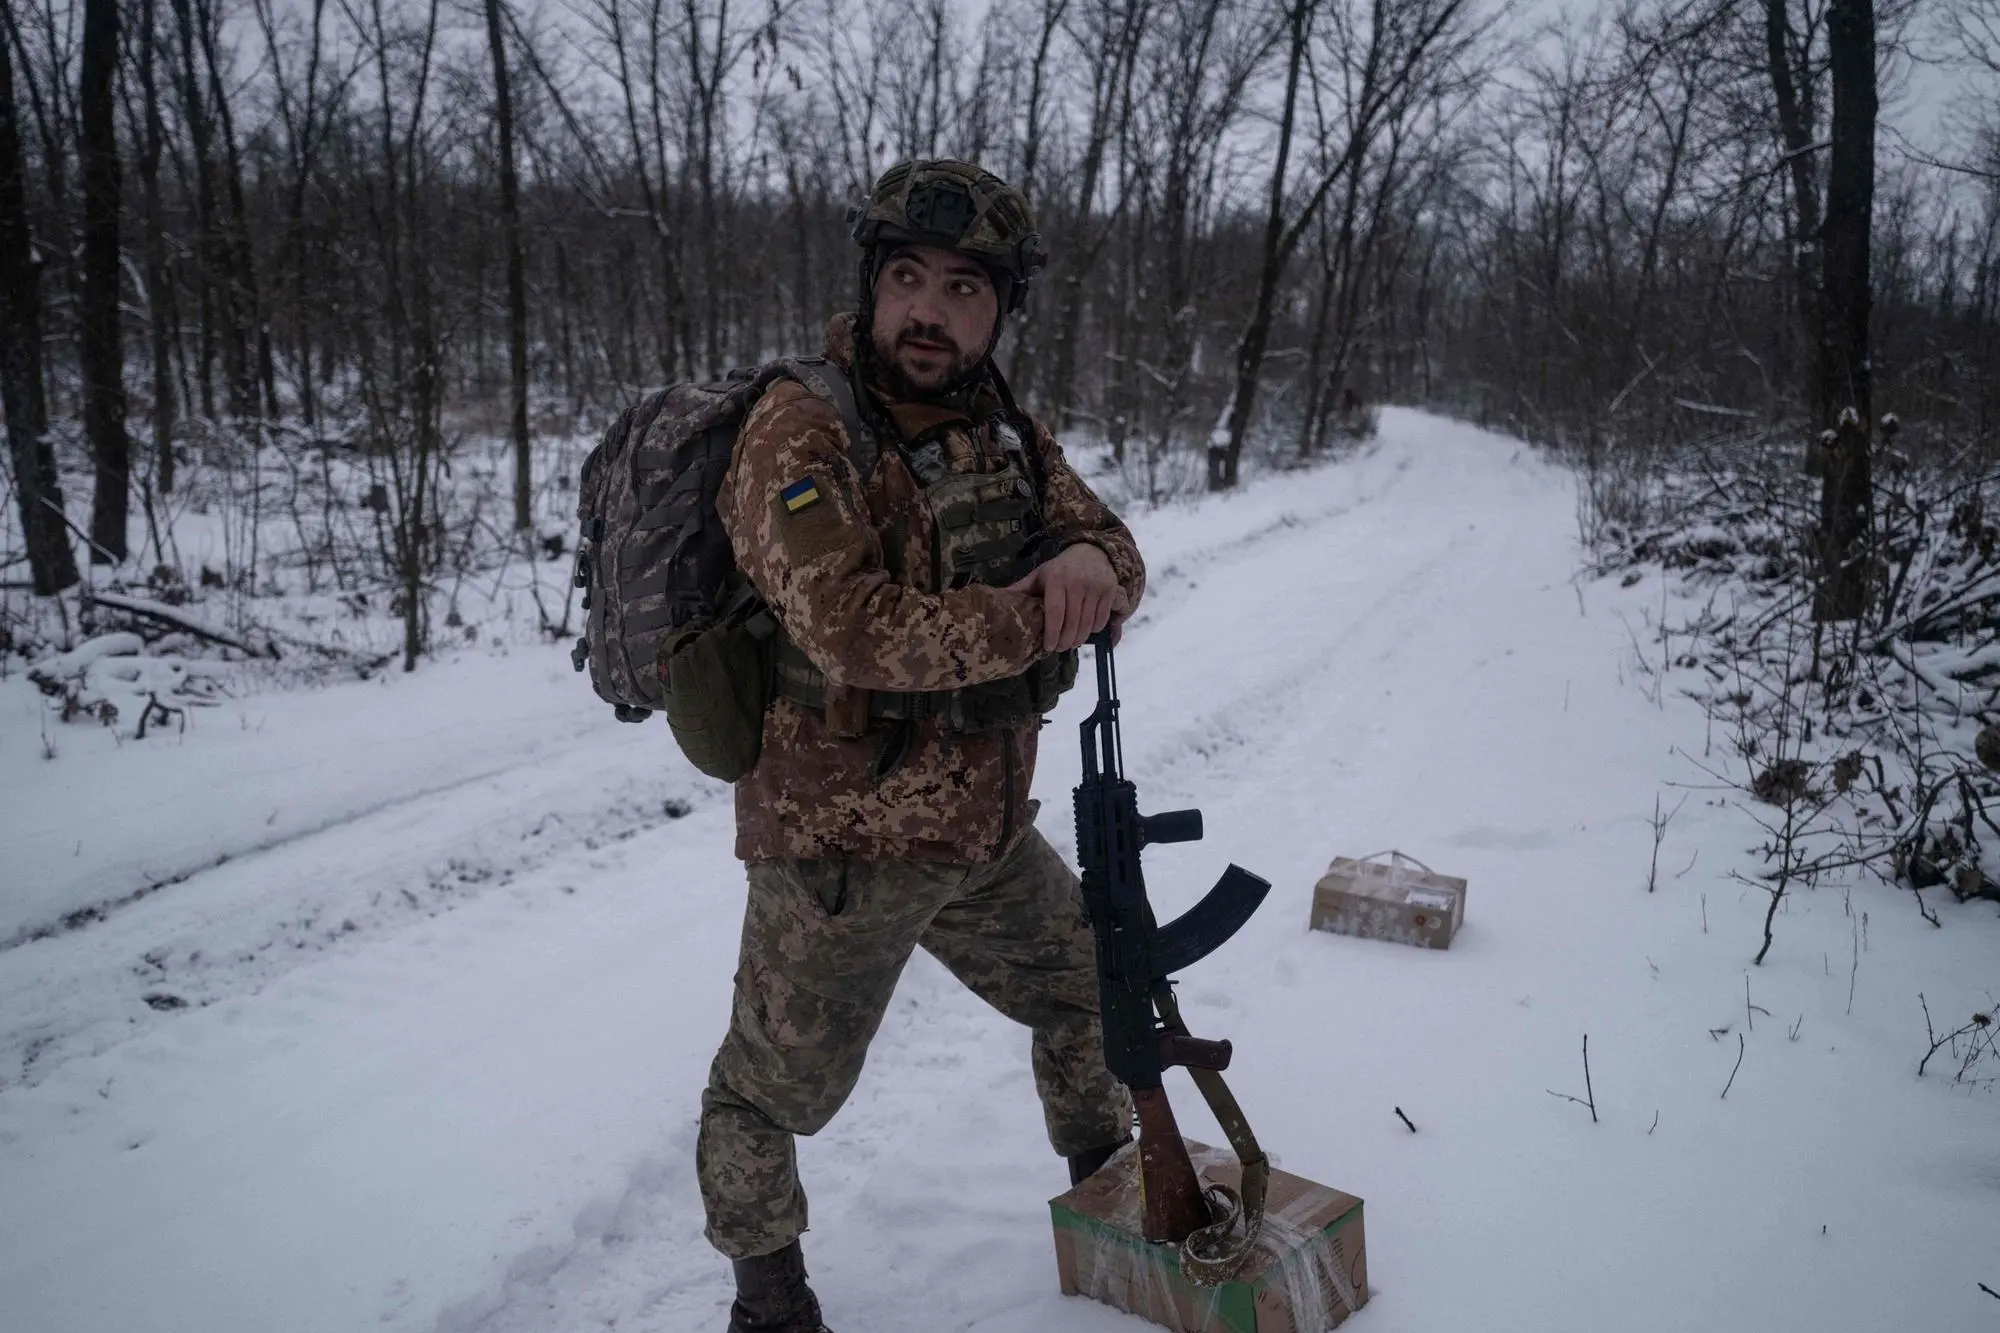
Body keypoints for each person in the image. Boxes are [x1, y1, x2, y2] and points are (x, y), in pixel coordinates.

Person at [698, 159, 1147, 1333]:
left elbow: (1112, 546)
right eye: (907, 278)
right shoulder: (799, 428)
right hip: (841, 851)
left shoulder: (1000, 423)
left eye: (961, 288)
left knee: (1091, 995)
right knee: (769, 1094)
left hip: (983, 837)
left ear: (997, 310)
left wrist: (1094, 565)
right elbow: (848, 628)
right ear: (871, 286)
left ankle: (1111, 1204)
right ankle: (770, 1303)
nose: (929, 311)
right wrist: (1038, 608)